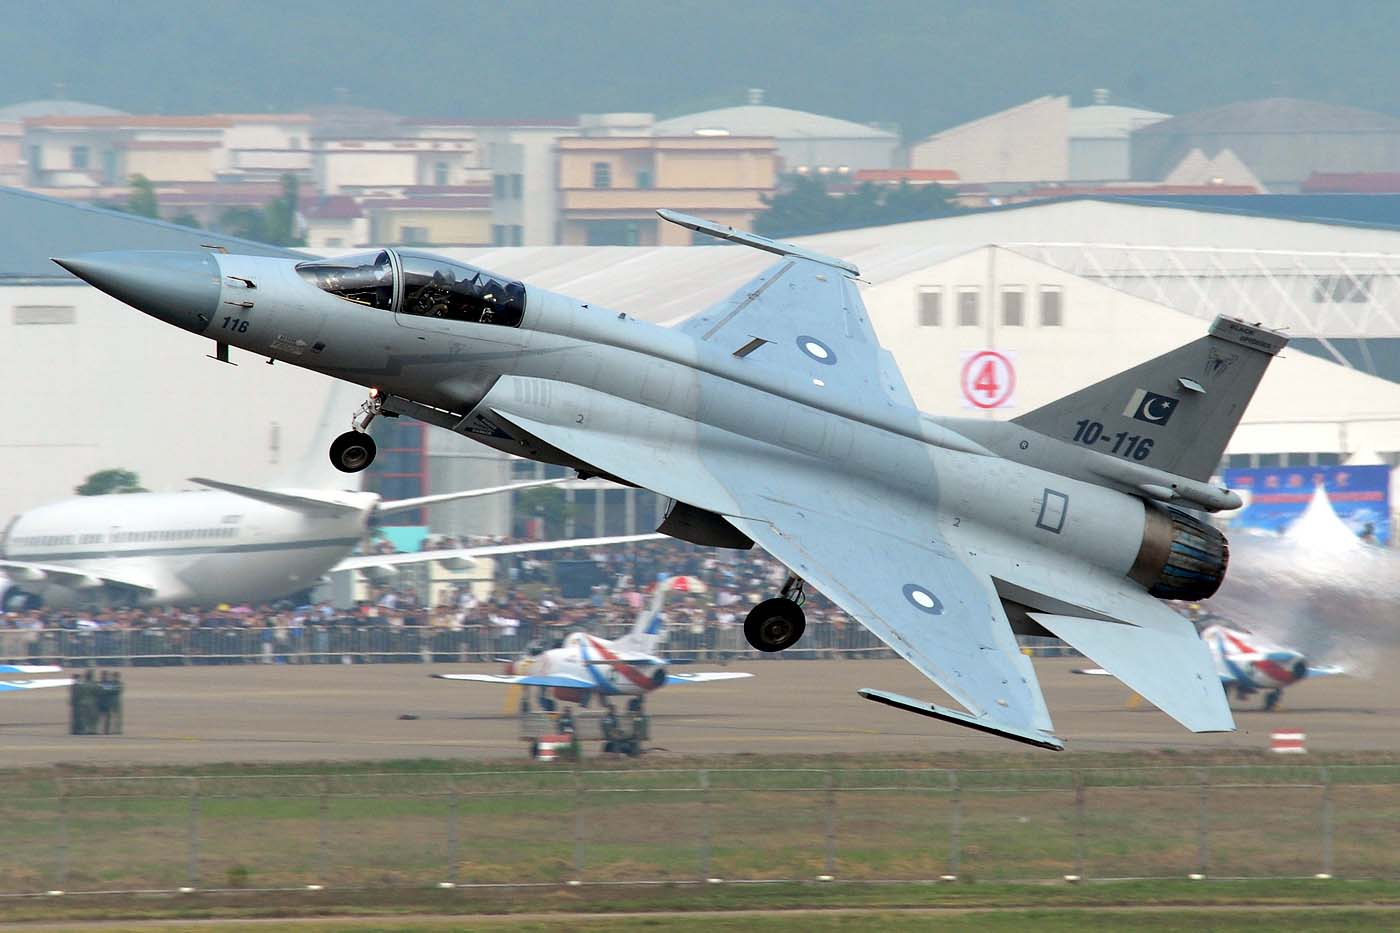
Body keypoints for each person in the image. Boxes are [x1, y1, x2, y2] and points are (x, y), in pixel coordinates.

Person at [78, 670, 99, 735]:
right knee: (92, 717)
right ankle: (92, 730)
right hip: (92, 702)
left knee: (85, 717)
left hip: (84, 702)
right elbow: (97, 692)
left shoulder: (82, 684)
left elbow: (80, 693)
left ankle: (86, 729)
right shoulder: (94, 684)